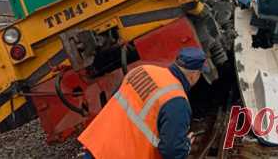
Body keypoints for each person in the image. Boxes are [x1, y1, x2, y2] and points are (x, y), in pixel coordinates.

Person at [79, 47, 208, 159]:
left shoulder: (142, 69)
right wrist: (186, 146)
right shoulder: (177, 101)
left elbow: (116, 101)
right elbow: (172, 151)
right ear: (194, 74)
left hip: (96, 147)